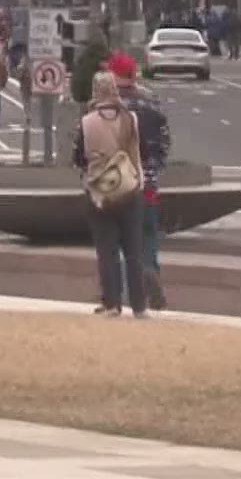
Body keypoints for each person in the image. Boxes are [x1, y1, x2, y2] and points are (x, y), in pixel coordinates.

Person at [74, 73, 149, 317]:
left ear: (96, 91)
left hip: (100, 193)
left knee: (107, 251)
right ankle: (139, 306)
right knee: (134, 251)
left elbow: (78, 157)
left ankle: (112, 304)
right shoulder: (131, 119)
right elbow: (143, 152)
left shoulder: (87, 122)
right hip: (130, 189)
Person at [109, 55, 171, 311]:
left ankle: (125, 290)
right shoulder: (151, 104)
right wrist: (154, 169)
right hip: (148, 183)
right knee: (148, 235)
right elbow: (165, 143)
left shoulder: (105, 108)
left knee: (119, 238)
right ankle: (150, 271)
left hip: (116, 183)